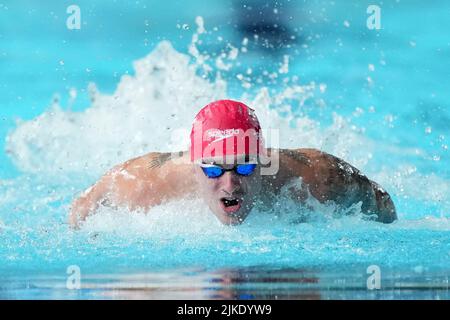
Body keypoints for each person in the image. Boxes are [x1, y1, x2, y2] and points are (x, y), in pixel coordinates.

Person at [69, 99, 396, 227]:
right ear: (195, 165)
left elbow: (382, 204)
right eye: (213, 169)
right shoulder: (143, 184)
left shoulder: (316, 179)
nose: (230, 184)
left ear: (263, 161)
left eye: (244, 167)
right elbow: (82, 208)